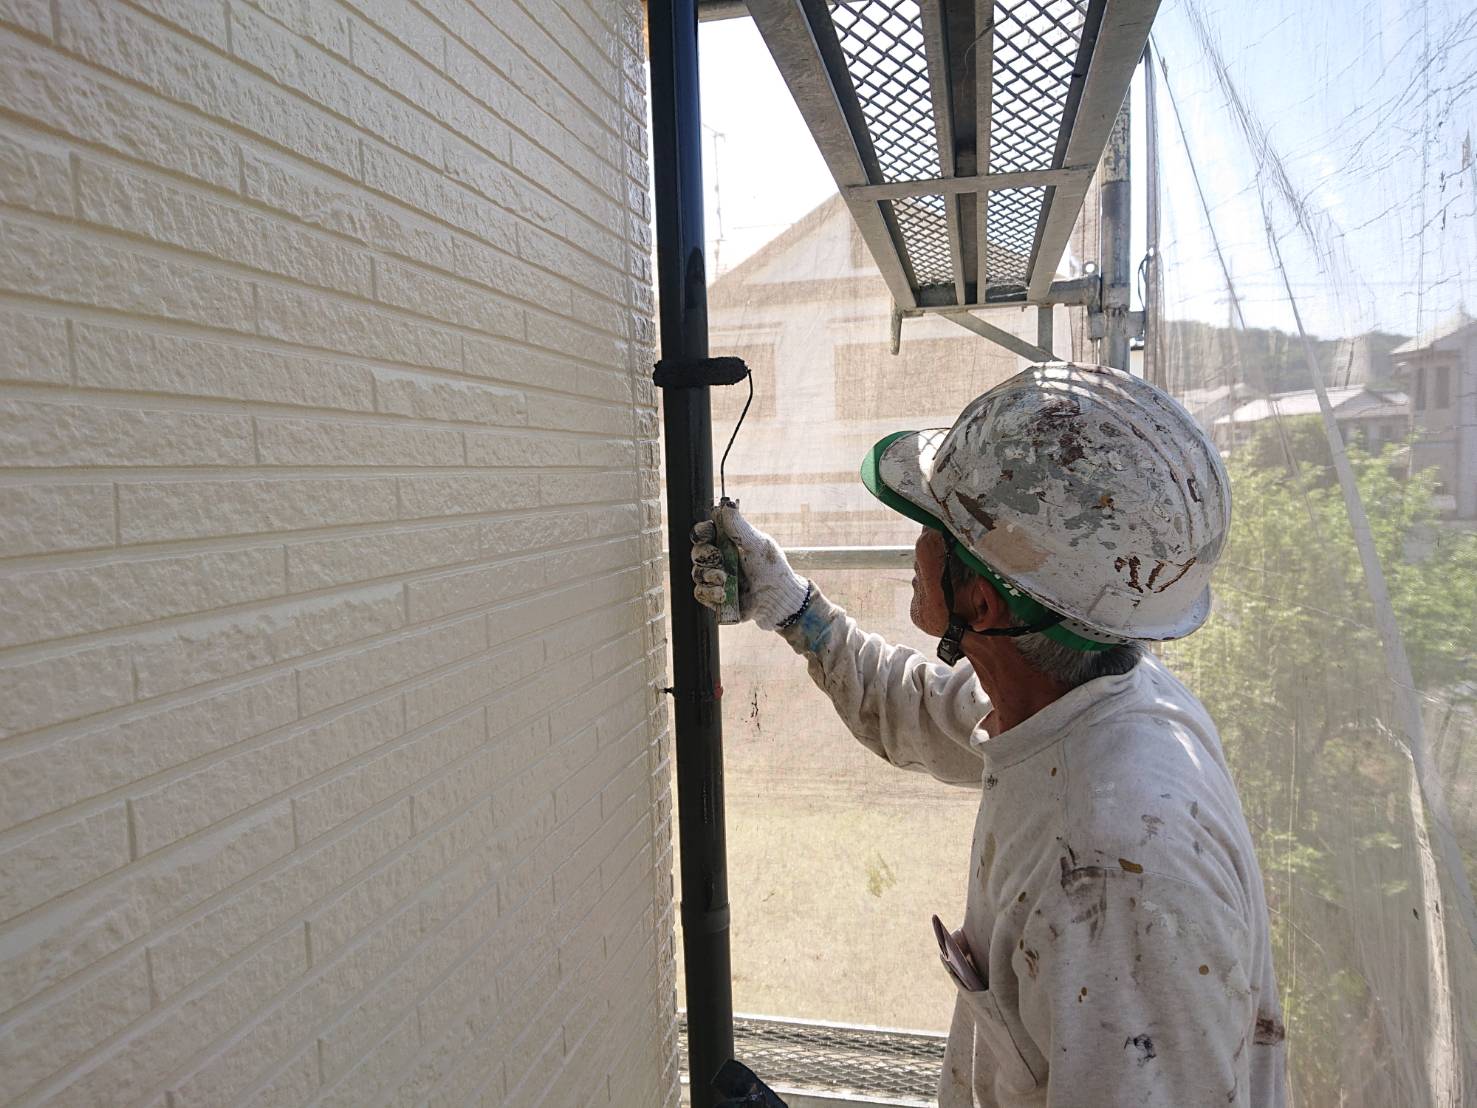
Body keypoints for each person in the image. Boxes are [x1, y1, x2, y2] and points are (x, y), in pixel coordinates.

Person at [690, 362, 1286, 1108]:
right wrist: (790, 606)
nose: (914, 546)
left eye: (932, 528)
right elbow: (913, 708)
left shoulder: (1116, 872)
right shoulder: (1085, 700)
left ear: (980, 596)